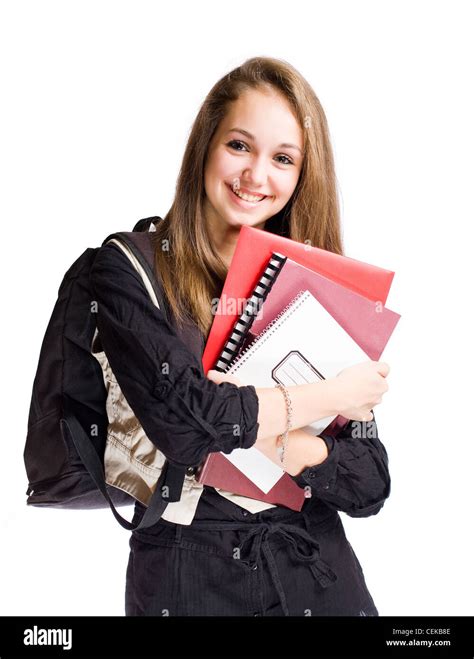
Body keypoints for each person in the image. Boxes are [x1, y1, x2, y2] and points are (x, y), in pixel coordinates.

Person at [90, 56, 391, 617]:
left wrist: (286, 442)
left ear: (303, 175)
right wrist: (331, 398)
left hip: (315, 577)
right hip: (185, 579)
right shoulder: (130, 270)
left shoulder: (317, 286)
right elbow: (188, 426)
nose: (256, 176)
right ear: (205, 144)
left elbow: (370, 482)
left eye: (282, 158)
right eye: (238, 146)